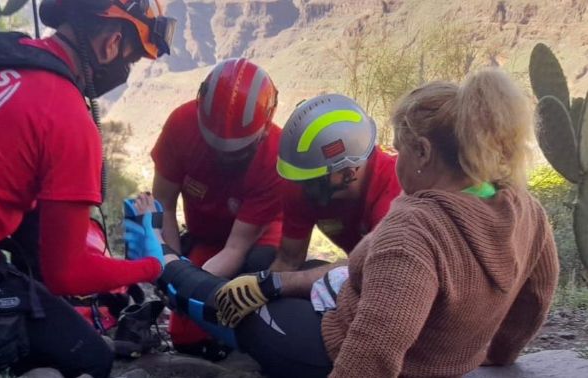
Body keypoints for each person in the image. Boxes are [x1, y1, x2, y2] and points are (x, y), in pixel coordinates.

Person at [127, 69, 559, 377]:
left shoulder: (414, 226)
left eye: (402, 148)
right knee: (266, 286)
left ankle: (162, 264)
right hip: (405, 338)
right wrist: (499, 354)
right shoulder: (527, 209)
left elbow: (376, 348)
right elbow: (535, 298)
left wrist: (269, 290)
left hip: (334, 349)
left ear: (424, 153)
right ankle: (170, 268)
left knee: (233, 309)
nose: (394, 157)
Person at [0, 1, 175, 377]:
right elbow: (68, 275)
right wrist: (149, 267)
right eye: (132, 57)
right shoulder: (69, 119)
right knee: (91, 358)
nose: (126, 68)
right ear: (112, 44)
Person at [150, 57, 283, 357]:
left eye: (236, 152)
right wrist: (173, 266)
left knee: (254, 271)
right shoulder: (182, 124)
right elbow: (165, 206)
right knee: (186, 334)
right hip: (206, 235)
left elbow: (237, 248)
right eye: (214, 147)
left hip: (257, 237)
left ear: (263, 130)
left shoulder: (275, 156)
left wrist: (189, 283)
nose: (223, 158)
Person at [271, 94, 401, 271]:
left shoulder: (395, 193)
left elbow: (378, 270)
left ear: (347, 172)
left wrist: (280, 285)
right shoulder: (299, 183)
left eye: (312, 181)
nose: (302, 187)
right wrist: (260, 289)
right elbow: (288, 261)